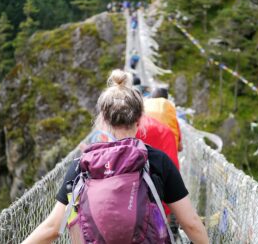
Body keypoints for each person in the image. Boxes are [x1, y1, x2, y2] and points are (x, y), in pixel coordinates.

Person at [22, 70, 208, 244]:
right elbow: (190, 223)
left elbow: (53, 228)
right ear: (139, 120)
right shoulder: (157, 161)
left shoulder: (82, 166)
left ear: (102, 120)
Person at [144, 88, 183, 152]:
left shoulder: (145, 105)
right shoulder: (170, 109)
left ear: (151, 97)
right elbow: (180, 148)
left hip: (146, 153)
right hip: (167, 155)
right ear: (166, 99)